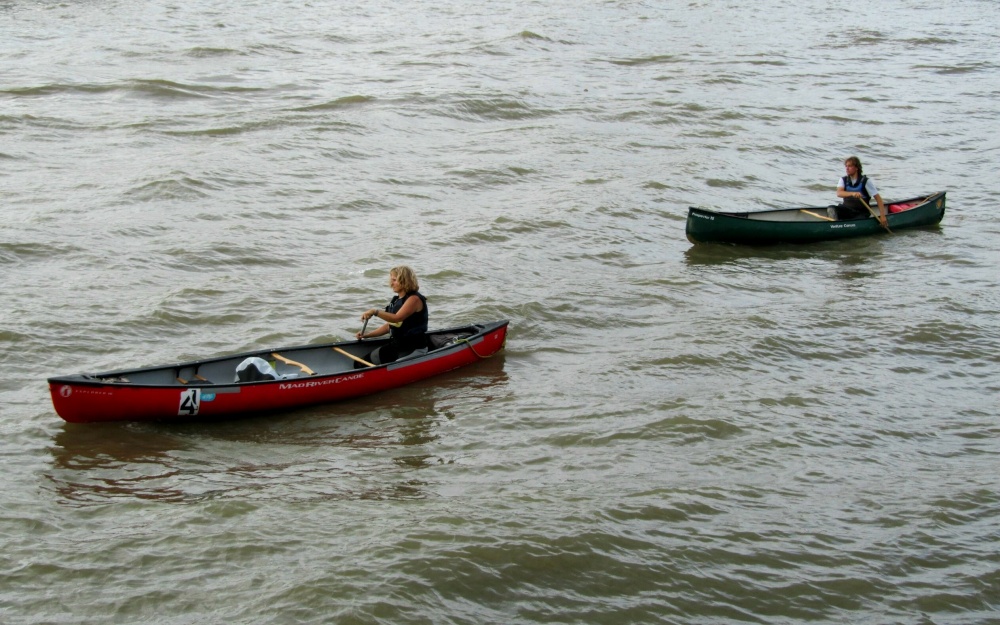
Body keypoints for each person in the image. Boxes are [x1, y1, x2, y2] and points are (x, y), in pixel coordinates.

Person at [354, 265, 429, 367]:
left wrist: (375, 312)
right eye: (391, 279)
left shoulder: (414, 299)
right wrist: (366, 335)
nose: (391, 283)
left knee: (388, 368)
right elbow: (391, 325)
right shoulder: (396, 301)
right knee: (359, 364)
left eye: (394, 280)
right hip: (397, 346)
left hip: (413, 347)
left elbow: (397, 318)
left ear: (404, 281)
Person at [835, 156, 887, 228]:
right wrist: (853, 193)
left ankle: (839, 226)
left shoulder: (866, 181)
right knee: (831, 208)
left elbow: (878, 199)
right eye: (846, 166)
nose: (847, 168)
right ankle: (835, 225)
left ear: (856, 168)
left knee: (856, 221)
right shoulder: (843, 180)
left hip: (861, 213)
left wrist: (882, 216)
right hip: (847, 210)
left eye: (849, 166)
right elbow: (839, 193)